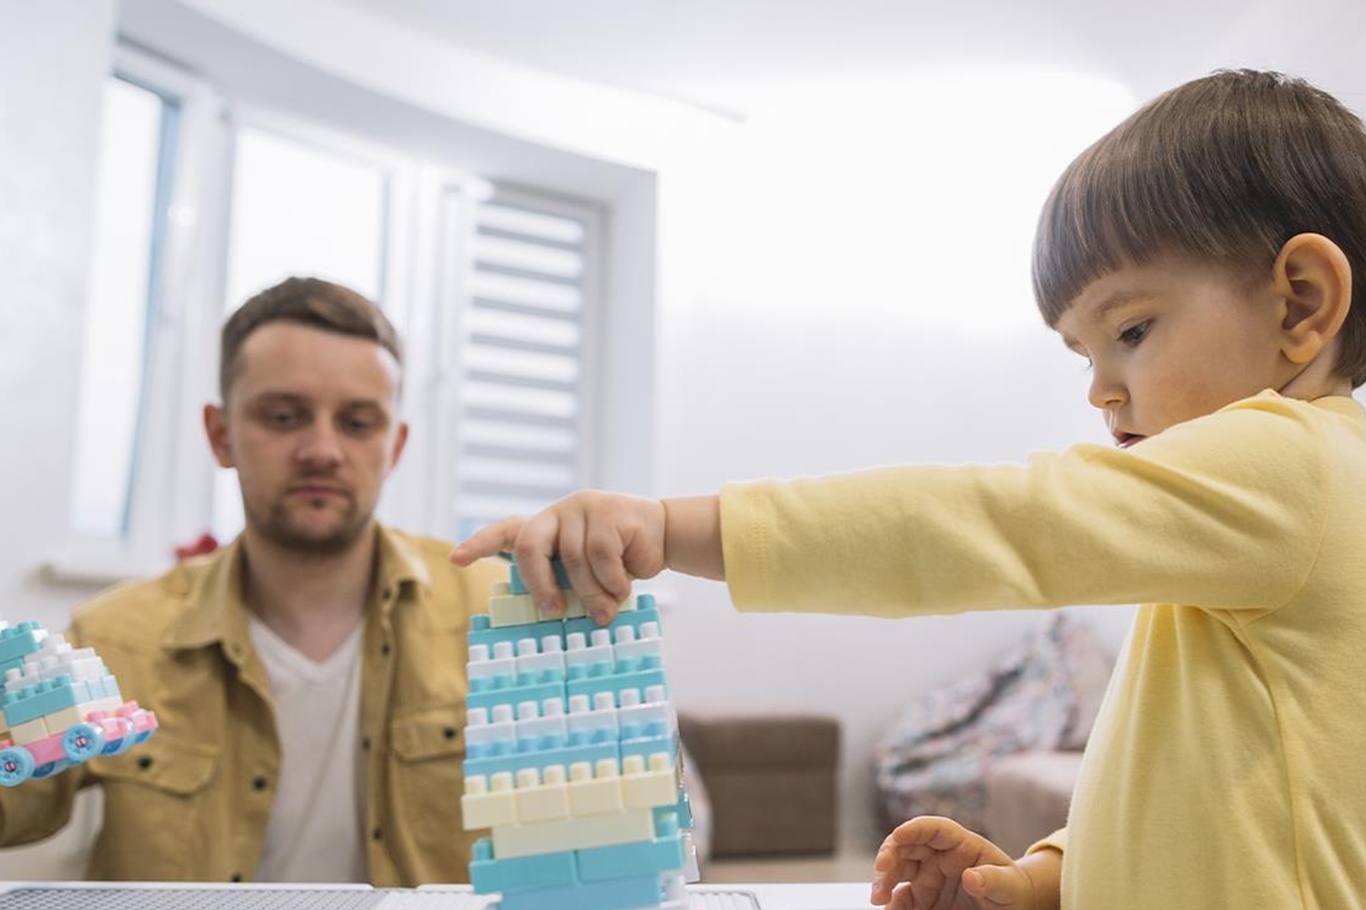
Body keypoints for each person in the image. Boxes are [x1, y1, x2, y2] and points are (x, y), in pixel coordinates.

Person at [452, 70, 1366, 910]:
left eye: (1130, 329)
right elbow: (1205, 783)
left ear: (1299, 302)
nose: (1100, 389)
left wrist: (670, 526)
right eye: (1083, 355)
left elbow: (988, 523)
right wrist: (1047, 876)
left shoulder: (1292, 465)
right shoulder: (1262, 519)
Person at [0, 277, 503, 885]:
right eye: (284, 416)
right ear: (221, 434)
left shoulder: (497, 617)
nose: (322, 450)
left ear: (394, 447)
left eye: (358, 422)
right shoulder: (115, 638)